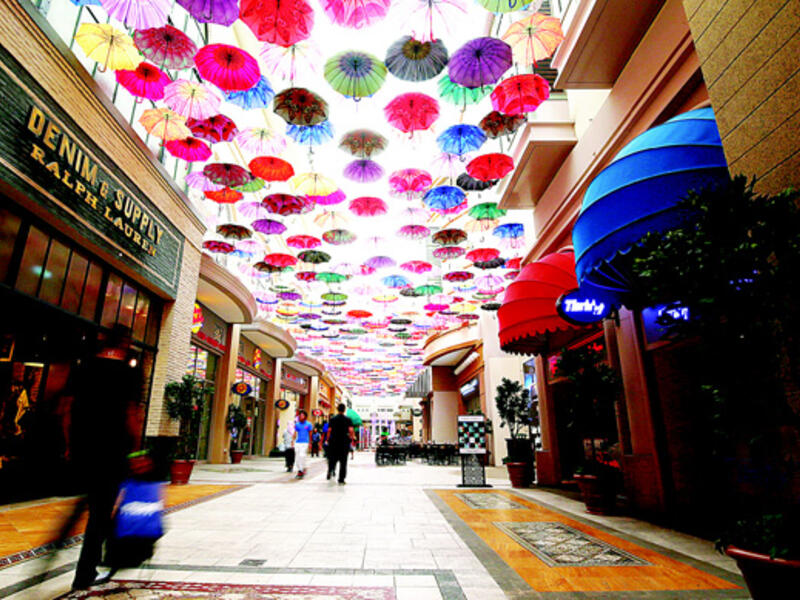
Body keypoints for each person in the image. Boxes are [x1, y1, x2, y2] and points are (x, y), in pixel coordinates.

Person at [67, 325, 143, 590]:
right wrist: (137, 450)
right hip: (112, 450)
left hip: (83, 447)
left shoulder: (84, 366)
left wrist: (69, 444)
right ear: (125, 343)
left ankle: (69, 556)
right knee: (100, 511)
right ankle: (86, 570)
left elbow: (66, 408)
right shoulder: (128, 373)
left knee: (89, 505)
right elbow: (131, 414)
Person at [326, 404, 354, 485]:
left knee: (332, 459)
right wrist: (351, 439)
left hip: (333, 442)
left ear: (337, 409)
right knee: (343, 461)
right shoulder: (348, 419)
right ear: (344, 410)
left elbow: (329, 430)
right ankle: (341, 479)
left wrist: (327, 440)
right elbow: (351, 430)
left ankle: (330, 470)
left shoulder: (333, 419)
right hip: (344, 443)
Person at [293, 410, 313, 478]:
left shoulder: (308, 424)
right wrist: (292, 441)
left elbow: (310, 434)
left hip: (305, 442)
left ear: (305, 417)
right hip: (298, 442)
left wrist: (310, 443)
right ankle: (301, 469)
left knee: (302, 456)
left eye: (302, 415)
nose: (300, 417)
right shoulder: (297, 424)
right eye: (300, 415)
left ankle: (301, 471)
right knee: (297, 457)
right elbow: (295, 433)